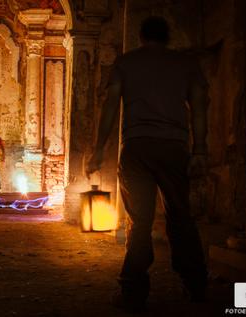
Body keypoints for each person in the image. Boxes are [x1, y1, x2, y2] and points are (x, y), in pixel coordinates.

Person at [86, 16, 209, 312]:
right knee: (180, 217)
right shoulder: (186, 64)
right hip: (173, 147)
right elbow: (200, 108)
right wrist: (201, 149)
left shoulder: (127, 63)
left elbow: (110, 105)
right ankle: (196, 285)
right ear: (167, 37)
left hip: (137, 148)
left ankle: (133, 291)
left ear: (141, 36)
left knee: (139, 222)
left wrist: (99, 149)